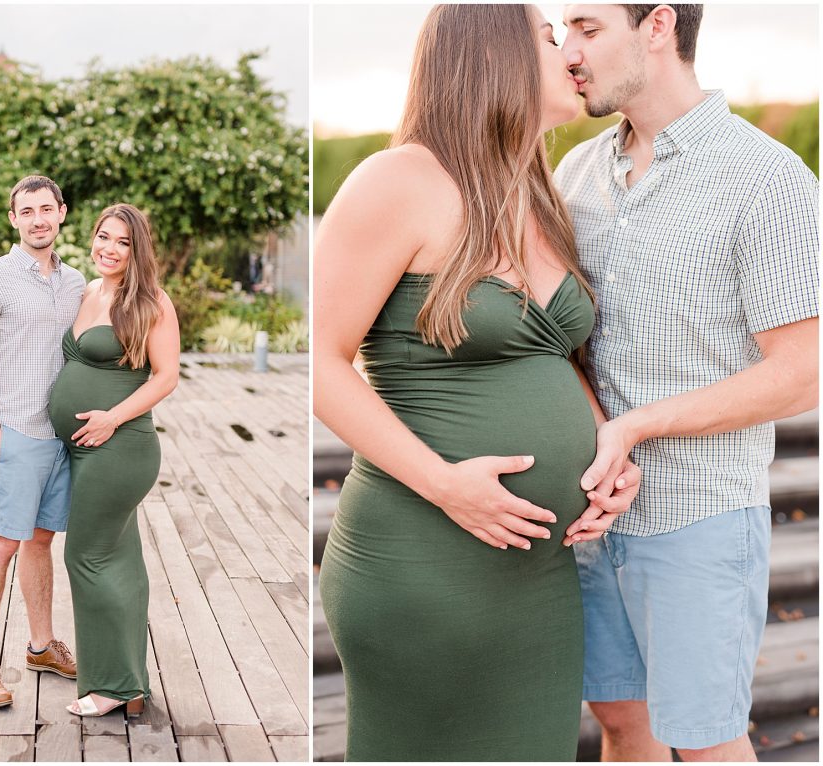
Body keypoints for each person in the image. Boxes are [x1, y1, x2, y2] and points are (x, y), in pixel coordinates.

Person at [314, 5, 640, 760]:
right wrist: (444, 484)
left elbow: (550, 353)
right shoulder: (398, 180)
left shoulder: (535, 192)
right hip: (425, 560)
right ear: (490, 52)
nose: (568, 50)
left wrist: (608, 455)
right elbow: (324, 368)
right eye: (547, 35)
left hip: (539, 571)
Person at [554, 4, 819, 761]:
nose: (569, 52)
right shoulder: (576, 173)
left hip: (701, 518)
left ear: (659, 25)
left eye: (588, 27)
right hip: (592, 519)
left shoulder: (766, 178)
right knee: (619, 722)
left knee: (705, 744)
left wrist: (637, 427)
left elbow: (804, 376)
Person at [0, 175, 86, 708]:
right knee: (3, 543)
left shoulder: (76, 281)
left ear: (62, 213)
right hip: (17, 435)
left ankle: (39, 645)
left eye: (46, 209)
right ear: (14, 219)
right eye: (26, 211)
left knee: (41, 540)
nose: (38, 219)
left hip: (63, 439)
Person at [49, 203, 180, 717]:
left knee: (85, 557)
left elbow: (166, 376)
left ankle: (107, 687)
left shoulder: (151, 302)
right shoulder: (86, 292)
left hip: (119, 449)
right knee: (121, 561)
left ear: (137, 250)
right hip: (82, 451)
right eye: (103, 237)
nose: (109, 248)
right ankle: (130, 685)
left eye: (122, 242)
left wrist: (111, 418)